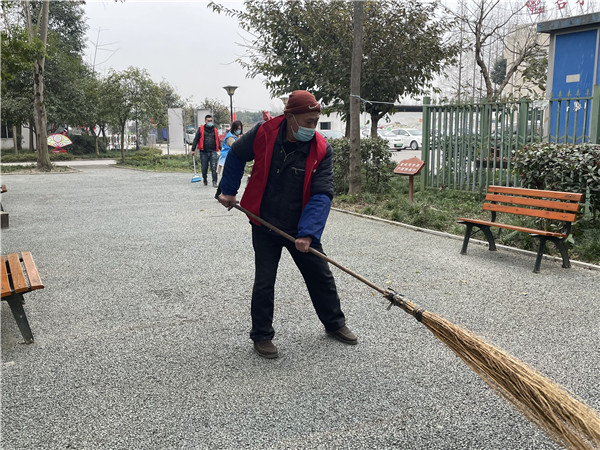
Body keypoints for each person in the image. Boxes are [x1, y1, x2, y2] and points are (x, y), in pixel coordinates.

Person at [217, 90, 357, 359]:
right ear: (290, 117)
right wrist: (228, 190)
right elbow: (236, 154)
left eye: (315, 122)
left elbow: (321, 193)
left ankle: (334, 323)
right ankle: (262, 336)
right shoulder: (264, 133)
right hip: (264, 221)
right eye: (308, 122)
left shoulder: (321, 149)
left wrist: (308, 233)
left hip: (299, 226)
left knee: (320, 275)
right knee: (264, 280)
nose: (312, 127)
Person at [191, 115, 221, 187]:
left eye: (211, 121)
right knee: (204, 168)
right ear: (205, 121)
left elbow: (217, 140)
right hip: (203, 152)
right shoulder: (201, 129)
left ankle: (214, 182)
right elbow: (196, 139)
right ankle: (205, 179)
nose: (210, 122)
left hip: (213, 151)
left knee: (214, 167)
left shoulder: (215, 130)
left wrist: (221, 148)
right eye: (208, 121)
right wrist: (193, 149)